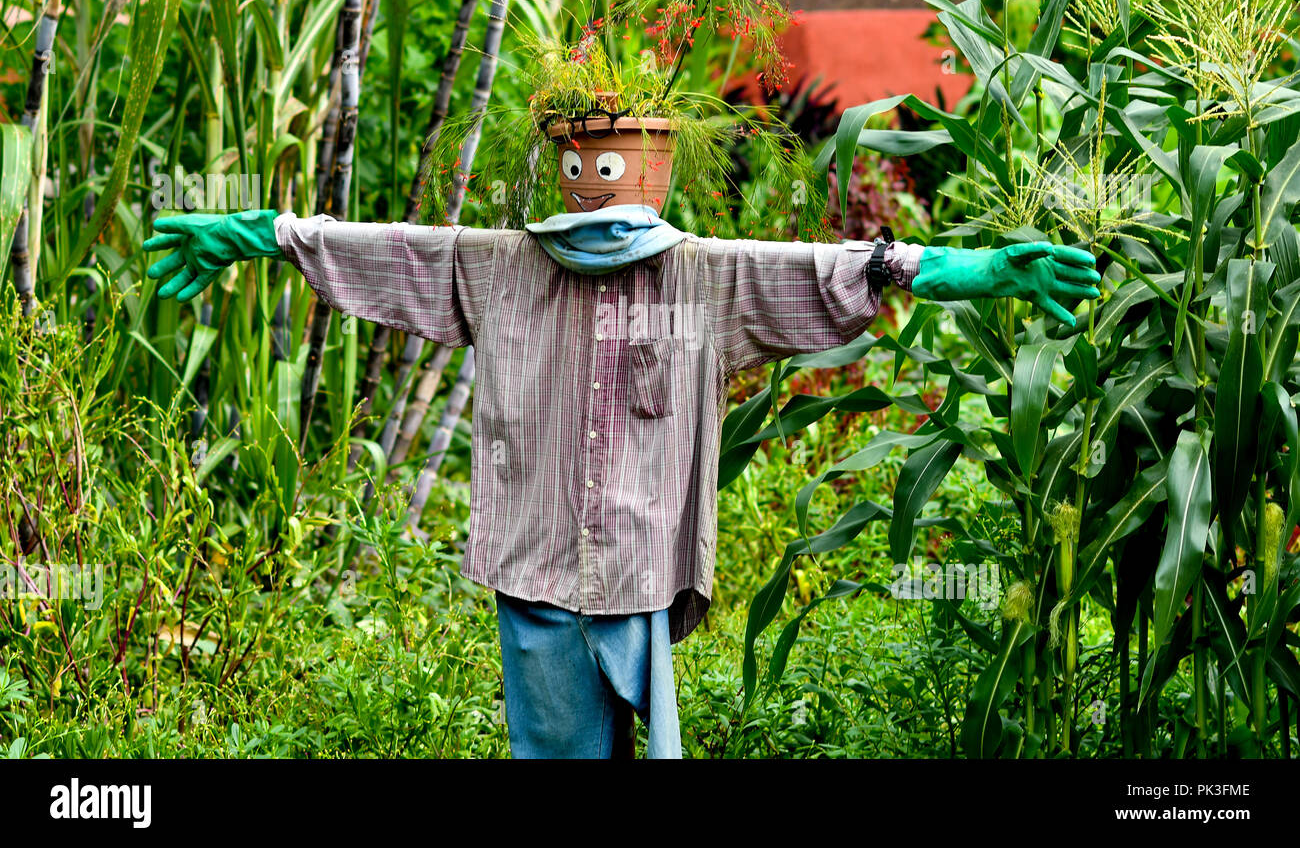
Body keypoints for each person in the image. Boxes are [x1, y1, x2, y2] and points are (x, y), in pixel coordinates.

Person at [142, 198, 1100, 758]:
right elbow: (389, 250)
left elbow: (833, 270)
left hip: (641, 576)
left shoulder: (702, 278)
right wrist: (261, 234)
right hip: (539, 575)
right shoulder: (501, 268)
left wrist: (979, 271)